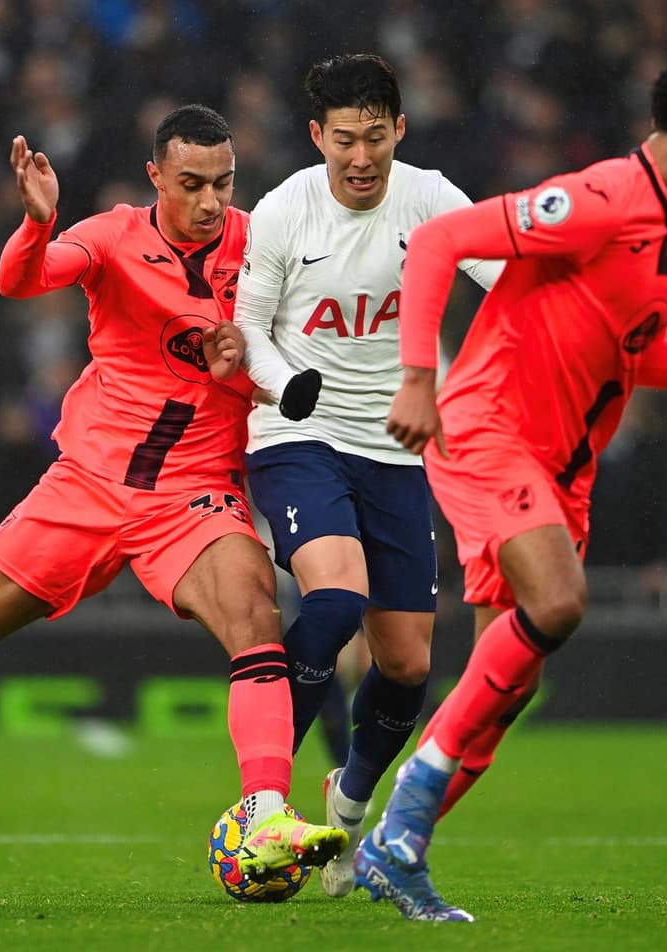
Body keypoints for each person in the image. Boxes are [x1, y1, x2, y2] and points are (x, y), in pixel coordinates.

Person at [0, 105, 346, 884]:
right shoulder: (113, 233)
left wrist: (250, 361)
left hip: (192, 492)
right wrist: (37, 224)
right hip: (87, 483)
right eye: (192, 184)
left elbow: (294, 366)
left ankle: (265, 815)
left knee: (256, 615)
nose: (212, 201)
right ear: (157, 178)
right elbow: (20, 279)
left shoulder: (262, 247)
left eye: (223, 183)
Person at [360, 52, 667, 922]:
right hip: (488, 427)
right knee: (558, 605)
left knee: (506, 689)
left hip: (563, 466)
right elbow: (443, 241)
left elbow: (627, 347)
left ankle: (391, 853)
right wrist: (417, 376)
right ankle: (406, 812)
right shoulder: (599, 201)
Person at [222, 53, 502, 898]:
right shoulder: (282, 212)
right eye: (344, 139)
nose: (360, 157)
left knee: (410, 662)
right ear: (317, 137)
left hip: (395, 446)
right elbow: (249, 327)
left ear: (399, 131)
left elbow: (507, 274)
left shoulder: (433, 199)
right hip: (295, 434)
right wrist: (285, 385)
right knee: (336, 597)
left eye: (375, 138)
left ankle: (344, 811)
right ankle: (261, 804)